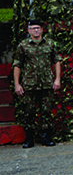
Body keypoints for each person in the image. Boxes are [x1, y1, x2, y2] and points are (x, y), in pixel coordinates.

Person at [12, 19, 62, 148]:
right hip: (29, 84)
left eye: (38, 28)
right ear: (28, 30)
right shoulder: (23, 46)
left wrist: (57, 79)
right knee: (29, 111)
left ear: (42, 29)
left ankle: (46, 137)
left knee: (46, 111)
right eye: (33, 28)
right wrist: (17, 84)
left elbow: (57, 60)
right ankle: (29, 138)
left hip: (46, 83)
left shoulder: (50, 44)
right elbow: (17, 64)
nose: (35, 30)